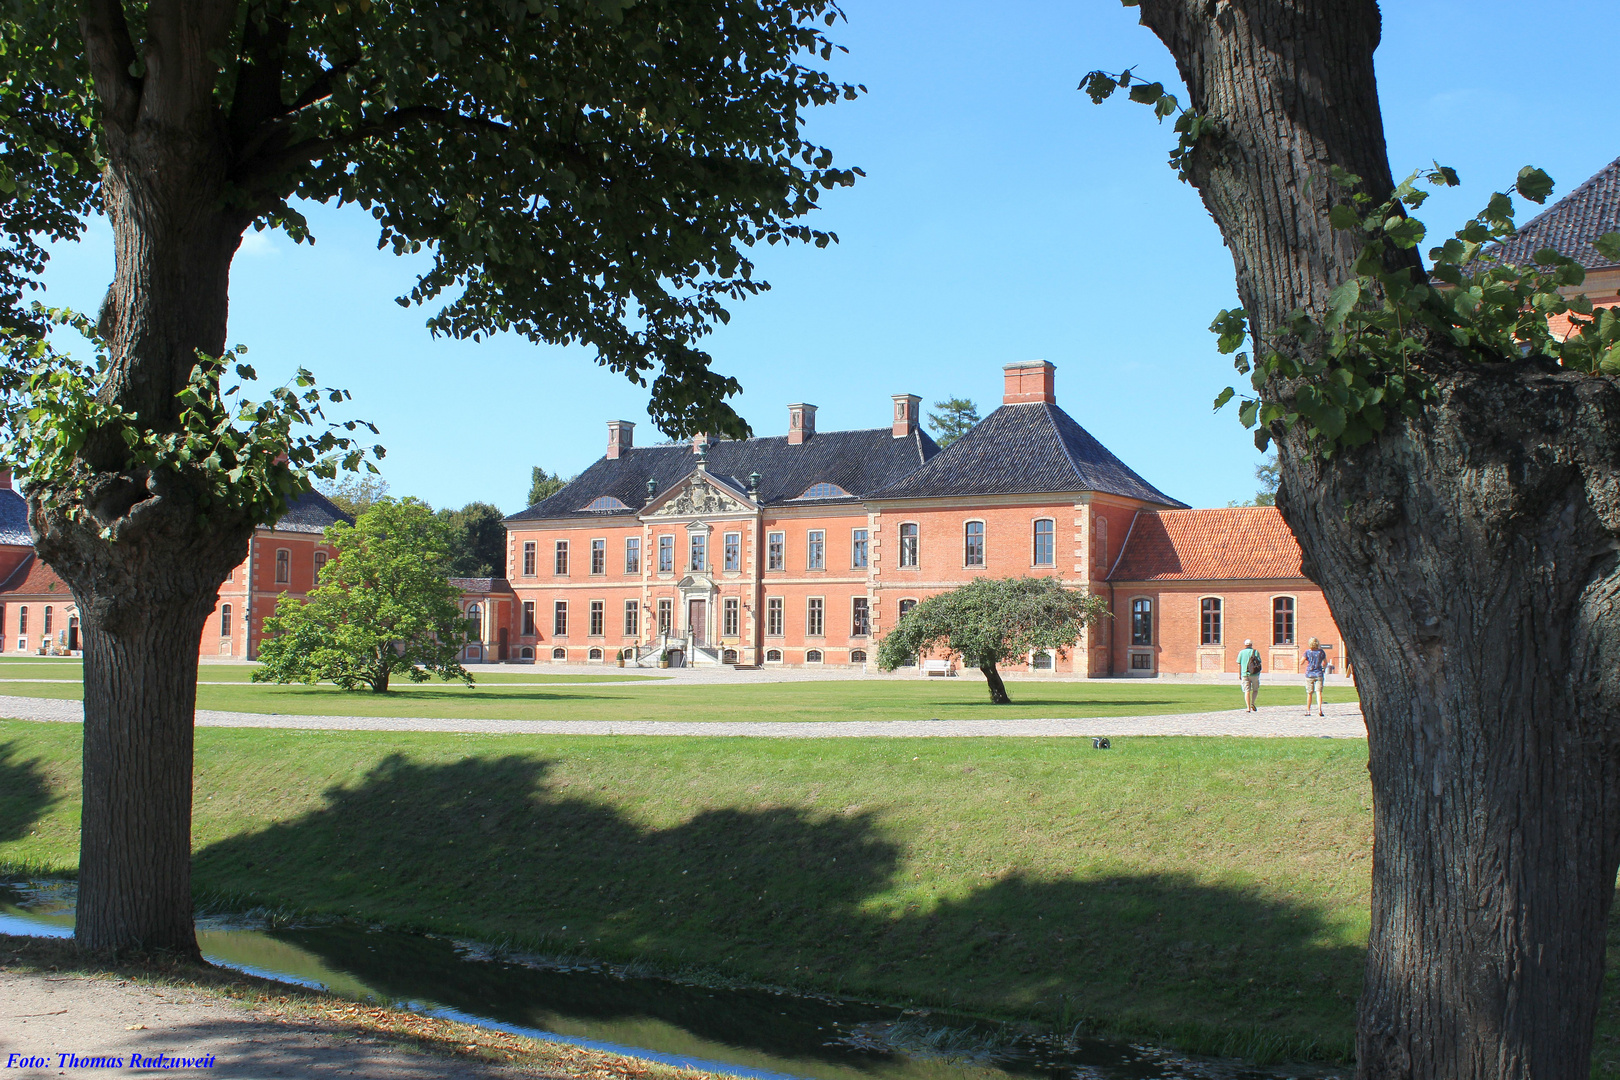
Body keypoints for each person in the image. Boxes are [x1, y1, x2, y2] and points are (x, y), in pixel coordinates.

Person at [1302, 636, 1327, 716]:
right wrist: (1323, 668)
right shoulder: (1321, 652)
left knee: (1309, 693)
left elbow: (1301, 662)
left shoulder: (1307, 652)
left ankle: (1308, 710)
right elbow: (1325, 662)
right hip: (1319, 673)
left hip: (1309, 674)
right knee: (1319, 692)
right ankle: (1320, 709)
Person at [1236, 638, 1261, 712]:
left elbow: (1239, 664)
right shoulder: (1256, 652)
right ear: (1251, 645)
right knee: (1255, 690)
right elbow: (1259, 662)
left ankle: (1248, 707)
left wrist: (1239, 674)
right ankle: (1253, 703)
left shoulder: (1241, 652)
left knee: (1247, 691)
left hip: (1245, 674)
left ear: (1245, 645)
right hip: (1254, 674)